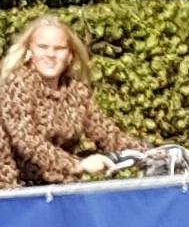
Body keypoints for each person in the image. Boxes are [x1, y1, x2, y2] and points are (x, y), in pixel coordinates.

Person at [0, 15, 139, 186]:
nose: (51, 54)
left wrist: (149, 154)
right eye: (43, 47)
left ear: (70, 56)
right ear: (29, 52)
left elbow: (106, 132)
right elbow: (26, 140)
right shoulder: (15, 85)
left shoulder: (76, 91)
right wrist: (77, 165)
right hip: (12, 192)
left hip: (55, 188)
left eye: (59, 48)